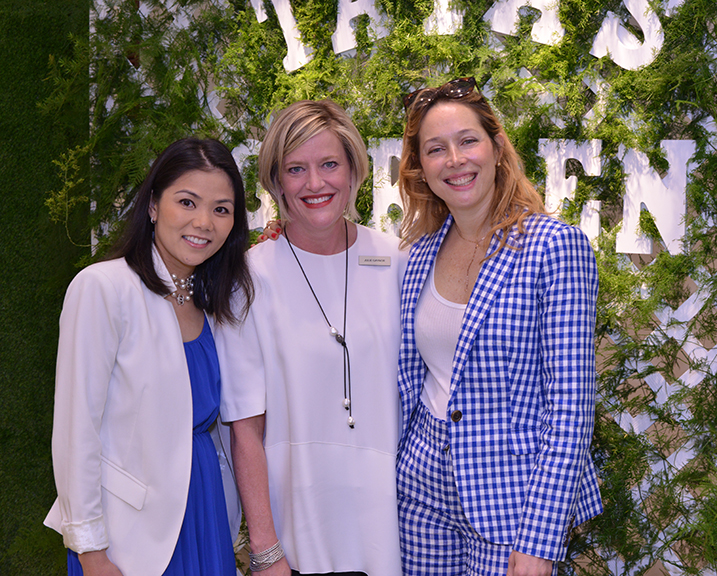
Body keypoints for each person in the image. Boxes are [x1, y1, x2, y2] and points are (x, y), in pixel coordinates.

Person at [396, 77, 602, 576]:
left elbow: (571, 411)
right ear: (421, 168)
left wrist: (540, 542)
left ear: (496, 146)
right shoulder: (416, 255)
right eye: (436, 149)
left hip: (512, 504)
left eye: (468, 140)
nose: (455, 159)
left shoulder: (555, 248)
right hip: (419, 497)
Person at [44, 137, 254, 576]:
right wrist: (91, 550)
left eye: (221, 209)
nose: (203, 222)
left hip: (206, 512)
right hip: (129, 537)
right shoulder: (103, 288)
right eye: (187, 202)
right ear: (154, 206)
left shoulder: (216, 301)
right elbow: (75, 431)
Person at [216, 99, 405, 576]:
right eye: (296, 169)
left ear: (355, 170)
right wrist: (265, 550)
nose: (315, 183)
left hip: (397, 533)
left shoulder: (400, 261)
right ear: (276, 182)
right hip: (297, 541)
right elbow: (245, 427)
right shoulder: (248, 278)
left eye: (329, 165)